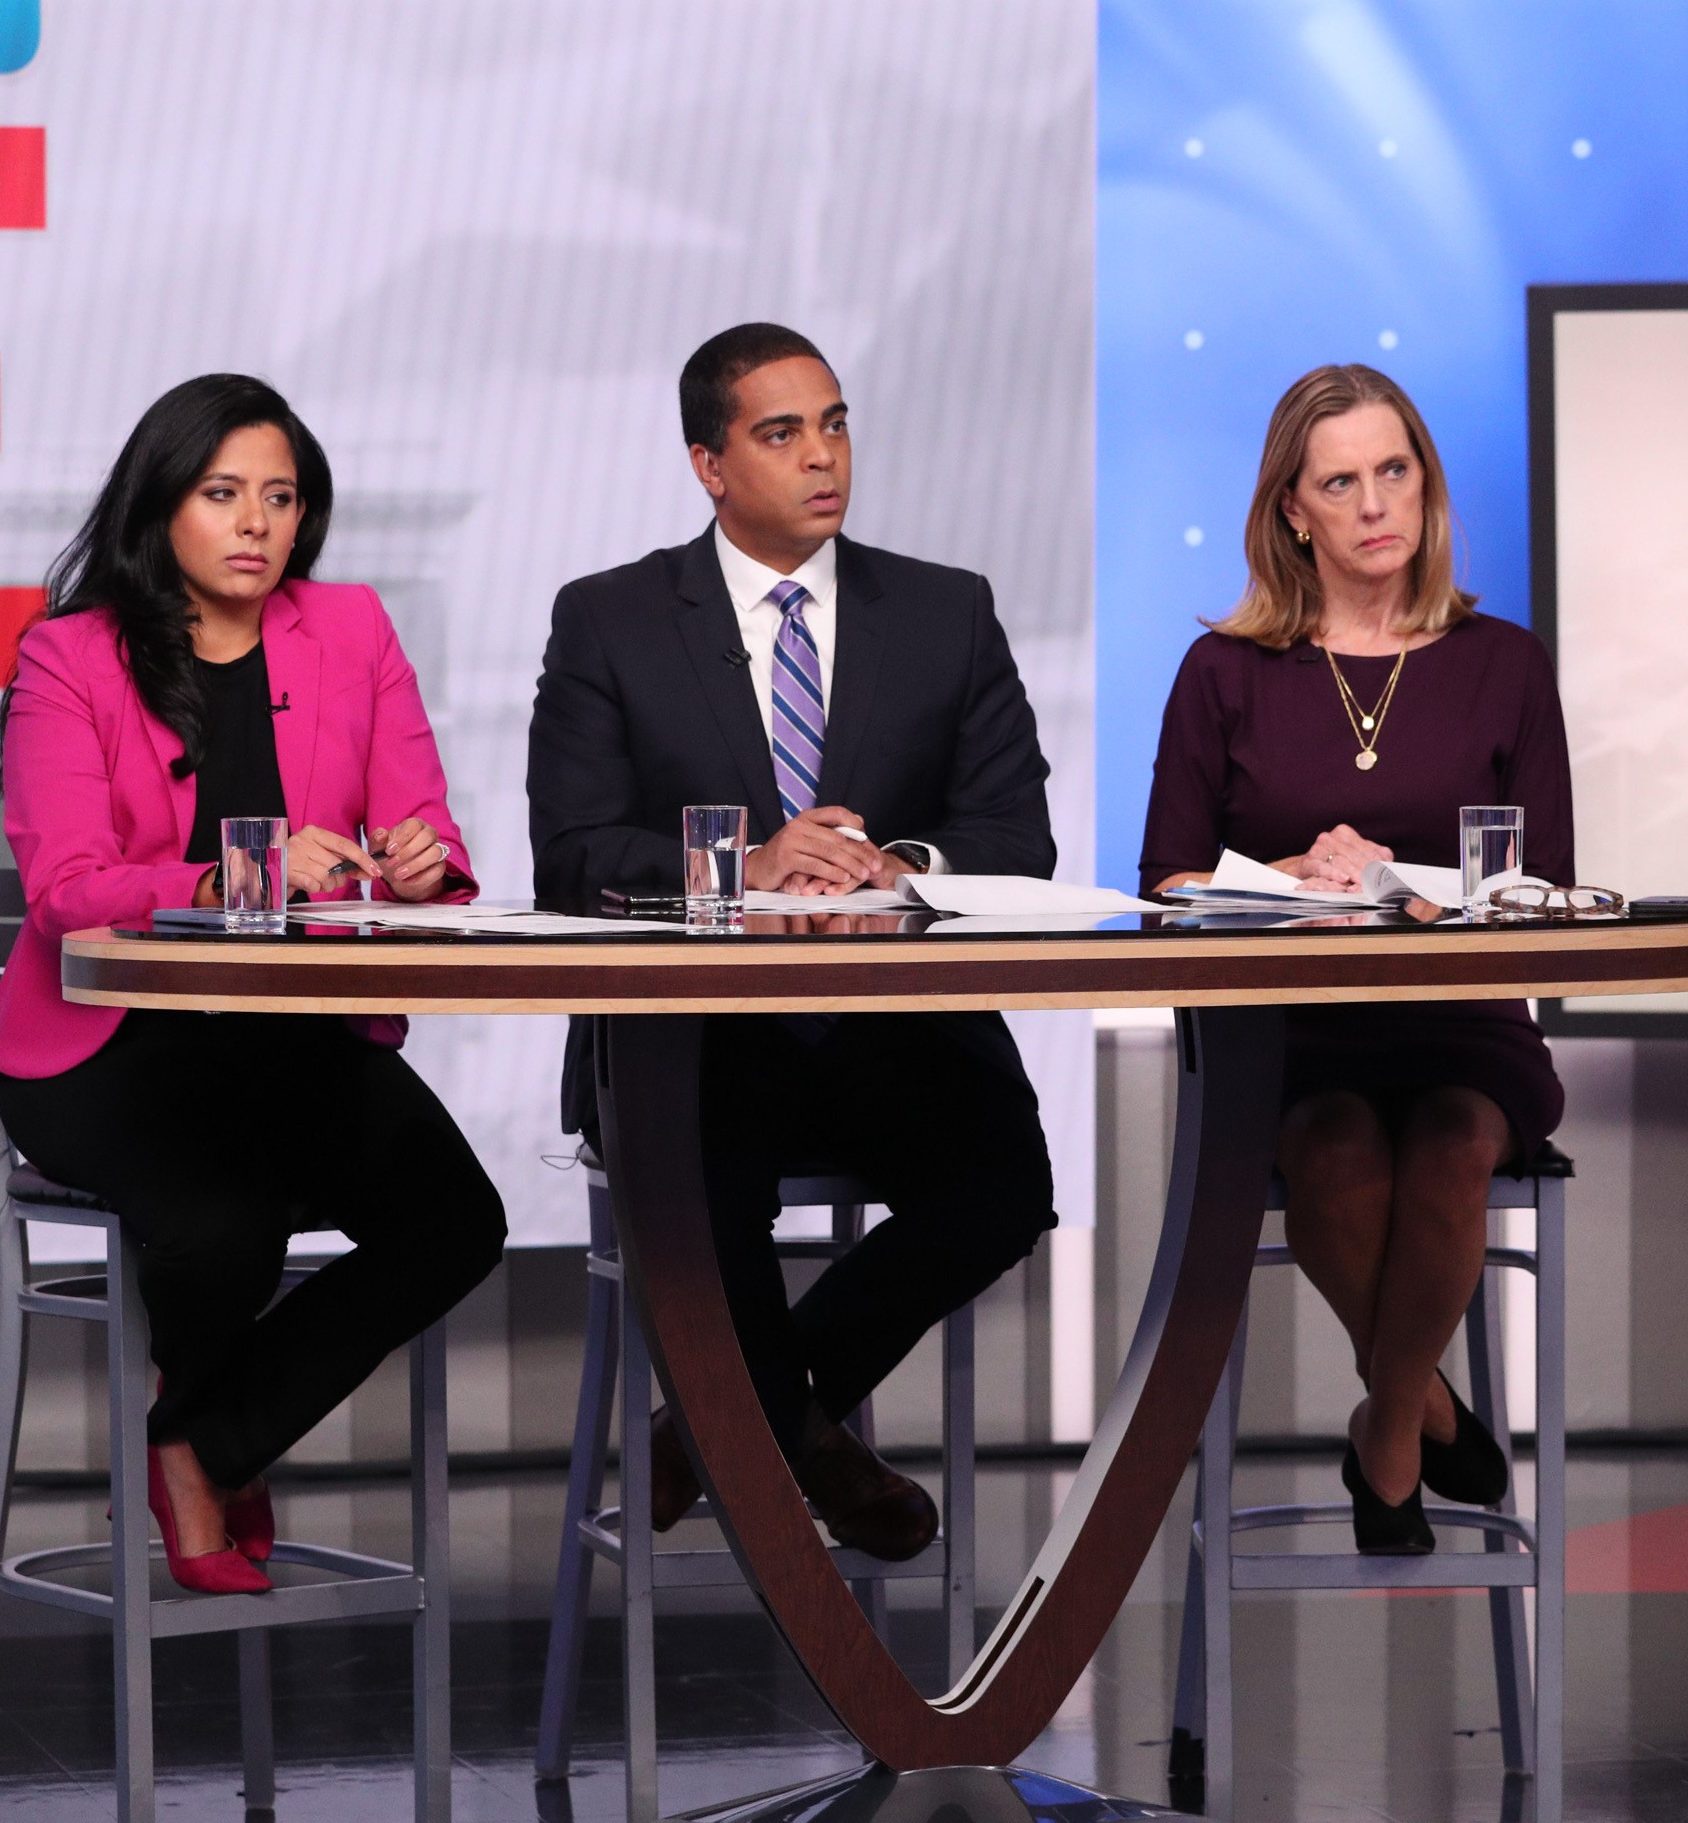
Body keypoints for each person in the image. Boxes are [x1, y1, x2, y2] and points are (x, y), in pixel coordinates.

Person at [527, 323, 1059, 1560]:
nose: (824, 456)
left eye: (835, 423)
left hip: (891, 1030)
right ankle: (803, 1445)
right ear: (710, 464)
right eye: (782, 433)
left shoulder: (945, 611)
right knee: (697, 1189)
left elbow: (1013, 836)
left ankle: (717, 1431)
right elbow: (572, 856)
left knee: (1004, 1186)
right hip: (693, 1039)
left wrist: (903, 866)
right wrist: (745, 866)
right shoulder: (611, 619)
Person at [0, 374, 506, 1593]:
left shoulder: (354, 630)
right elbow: (65, 889)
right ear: (162, 503)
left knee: (455, 1223)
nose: (257, 523)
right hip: (112, 1045)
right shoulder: (70, 657)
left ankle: (206, 1435)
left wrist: (426, 863)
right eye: (225, 494)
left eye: (281, 497)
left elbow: (421, 826)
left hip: (290, 1036)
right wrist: (241, 872)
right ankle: (207, 1455)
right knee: (228, 1217)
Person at [1140, 363, 1571, 1555]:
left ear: (1425, 485)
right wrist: (1295, 878)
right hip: (1293, 1032)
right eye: (1343, 482)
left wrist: (1408, 894)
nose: (1377, 503)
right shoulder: (1224, 673)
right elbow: (1164, 885)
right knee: (1333, 1142)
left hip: (1462, 1024)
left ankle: (1384, 1428)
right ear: (1295, 511)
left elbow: (1543, 888)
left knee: (1447, 1140)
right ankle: (1425, 1402)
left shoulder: (1504, 663)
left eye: (1396, 472)